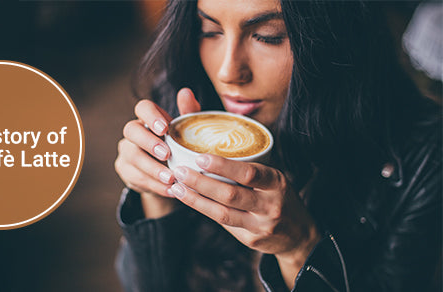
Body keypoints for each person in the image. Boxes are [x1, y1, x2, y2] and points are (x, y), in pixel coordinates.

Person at [114, 0, 442, 291]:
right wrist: (157, 197)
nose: (228, 72)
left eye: (267, 36)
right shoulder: (188, 107)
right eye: (210, 30)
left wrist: (300, 248)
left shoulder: (425, 155)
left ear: (339, 32)